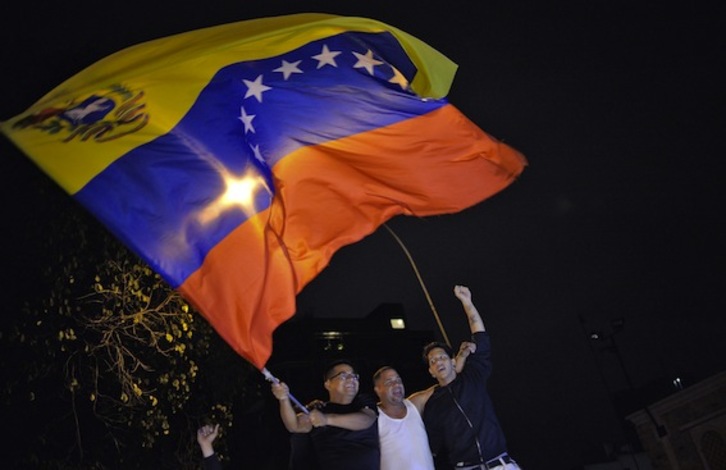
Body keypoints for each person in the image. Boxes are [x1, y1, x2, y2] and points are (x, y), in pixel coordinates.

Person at [421, 285, 521, 470]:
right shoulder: (433, 404)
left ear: (452, 361)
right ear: (431, 372)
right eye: (433, 361)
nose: (438, 362)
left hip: (500, 463)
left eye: (442, 357)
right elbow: (430, 447)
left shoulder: (472, 377)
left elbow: (481, 339)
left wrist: (467, 302)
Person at [372, 346, 475, 470]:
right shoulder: (373, 417)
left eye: (398, 380)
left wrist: (459, 360)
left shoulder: (414, 404)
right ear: (378, 390)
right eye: (389, 382)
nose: (396, 385)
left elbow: (445, 382)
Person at [271, 359, 380, 470]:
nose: (351, 379)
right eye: (343, 376)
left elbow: (366, 420)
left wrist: (327, 419)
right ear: (328, 384)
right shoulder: (318, 409)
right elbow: (295, 426)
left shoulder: (364, 402)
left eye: (354, 376)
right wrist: (283, 399)